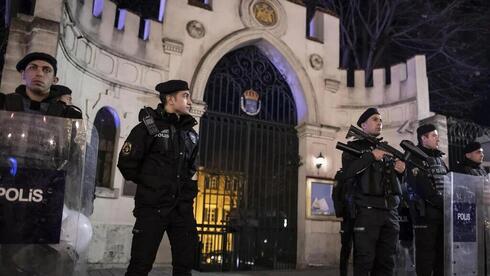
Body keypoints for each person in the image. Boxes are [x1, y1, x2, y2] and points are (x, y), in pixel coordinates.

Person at [118, 80, 199, 276]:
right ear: (170, 99)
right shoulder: (148, 127)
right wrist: (153, 184)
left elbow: (190, 167)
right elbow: (127, 163)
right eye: (185, 96)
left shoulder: (190, 134)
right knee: (140, 264)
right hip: (152, 208)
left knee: (184, 265)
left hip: (181, 209)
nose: (189, 101)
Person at [341, 107, 405, 276]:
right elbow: (347, 174)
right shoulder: (352, 147)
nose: (379, 123)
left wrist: (401, 171)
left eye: (381, 120)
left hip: (390, 213)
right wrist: (370, 156)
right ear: (363, 125)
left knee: (386, 262)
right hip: (367, 212)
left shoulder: (387, 150)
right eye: (375, 119)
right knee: (364, 261)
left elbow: (394, 183)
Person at [406, 124, 448, 276]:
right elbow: (423, 189)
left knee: (441, 258)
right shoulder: (414, 157)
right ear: (423, 138)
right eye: (434, 135)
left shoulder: (439, 159)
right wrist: (445, 204)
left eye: (437, 135)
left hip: (443, 215)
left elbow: (448, 182)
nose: (438, 139)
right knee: (425, 258)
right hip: (425, 215)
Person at [0, 52, 82, 119]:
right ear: (23, 75)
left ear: (54, 80)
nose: (39, 74)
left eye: (47, 70)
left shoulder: (69, 115)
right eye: (33, 68)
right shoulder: (3, 103)